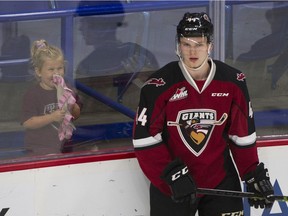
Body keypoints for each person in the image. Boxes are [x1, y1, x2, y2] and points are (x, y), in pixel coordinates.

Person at [132, 12, 275, 216]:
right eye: (186, 44)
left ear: (210, 45)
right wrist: (171, 176)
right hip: (172, 185)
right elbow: (144, 140)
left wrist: (252, 173)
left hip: (220, 181)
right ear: (178, 45)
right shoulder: (158, 85)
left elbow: (241, 135)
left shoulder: (233, 82)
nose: (192, 51)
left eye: (199, 44)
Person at [75, 0, 159, 112]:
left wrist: (138, 80)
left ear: (102, 29)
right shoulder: (142, 54)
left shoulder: (87, 66)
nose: (80, 28)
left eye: (84, 23)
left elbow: (85, 112)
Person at [21, 39, 82, 155]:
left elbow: (76, 115)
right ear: (39, 71)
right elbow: (27, 122)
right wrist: (52, 117)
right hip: (39, 147)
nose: (56, 73)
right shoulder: (32, 94)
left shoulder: (67, 89)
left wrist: (72, 106)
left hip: (64, 144)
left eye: (59, 68)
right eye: (51, 69)